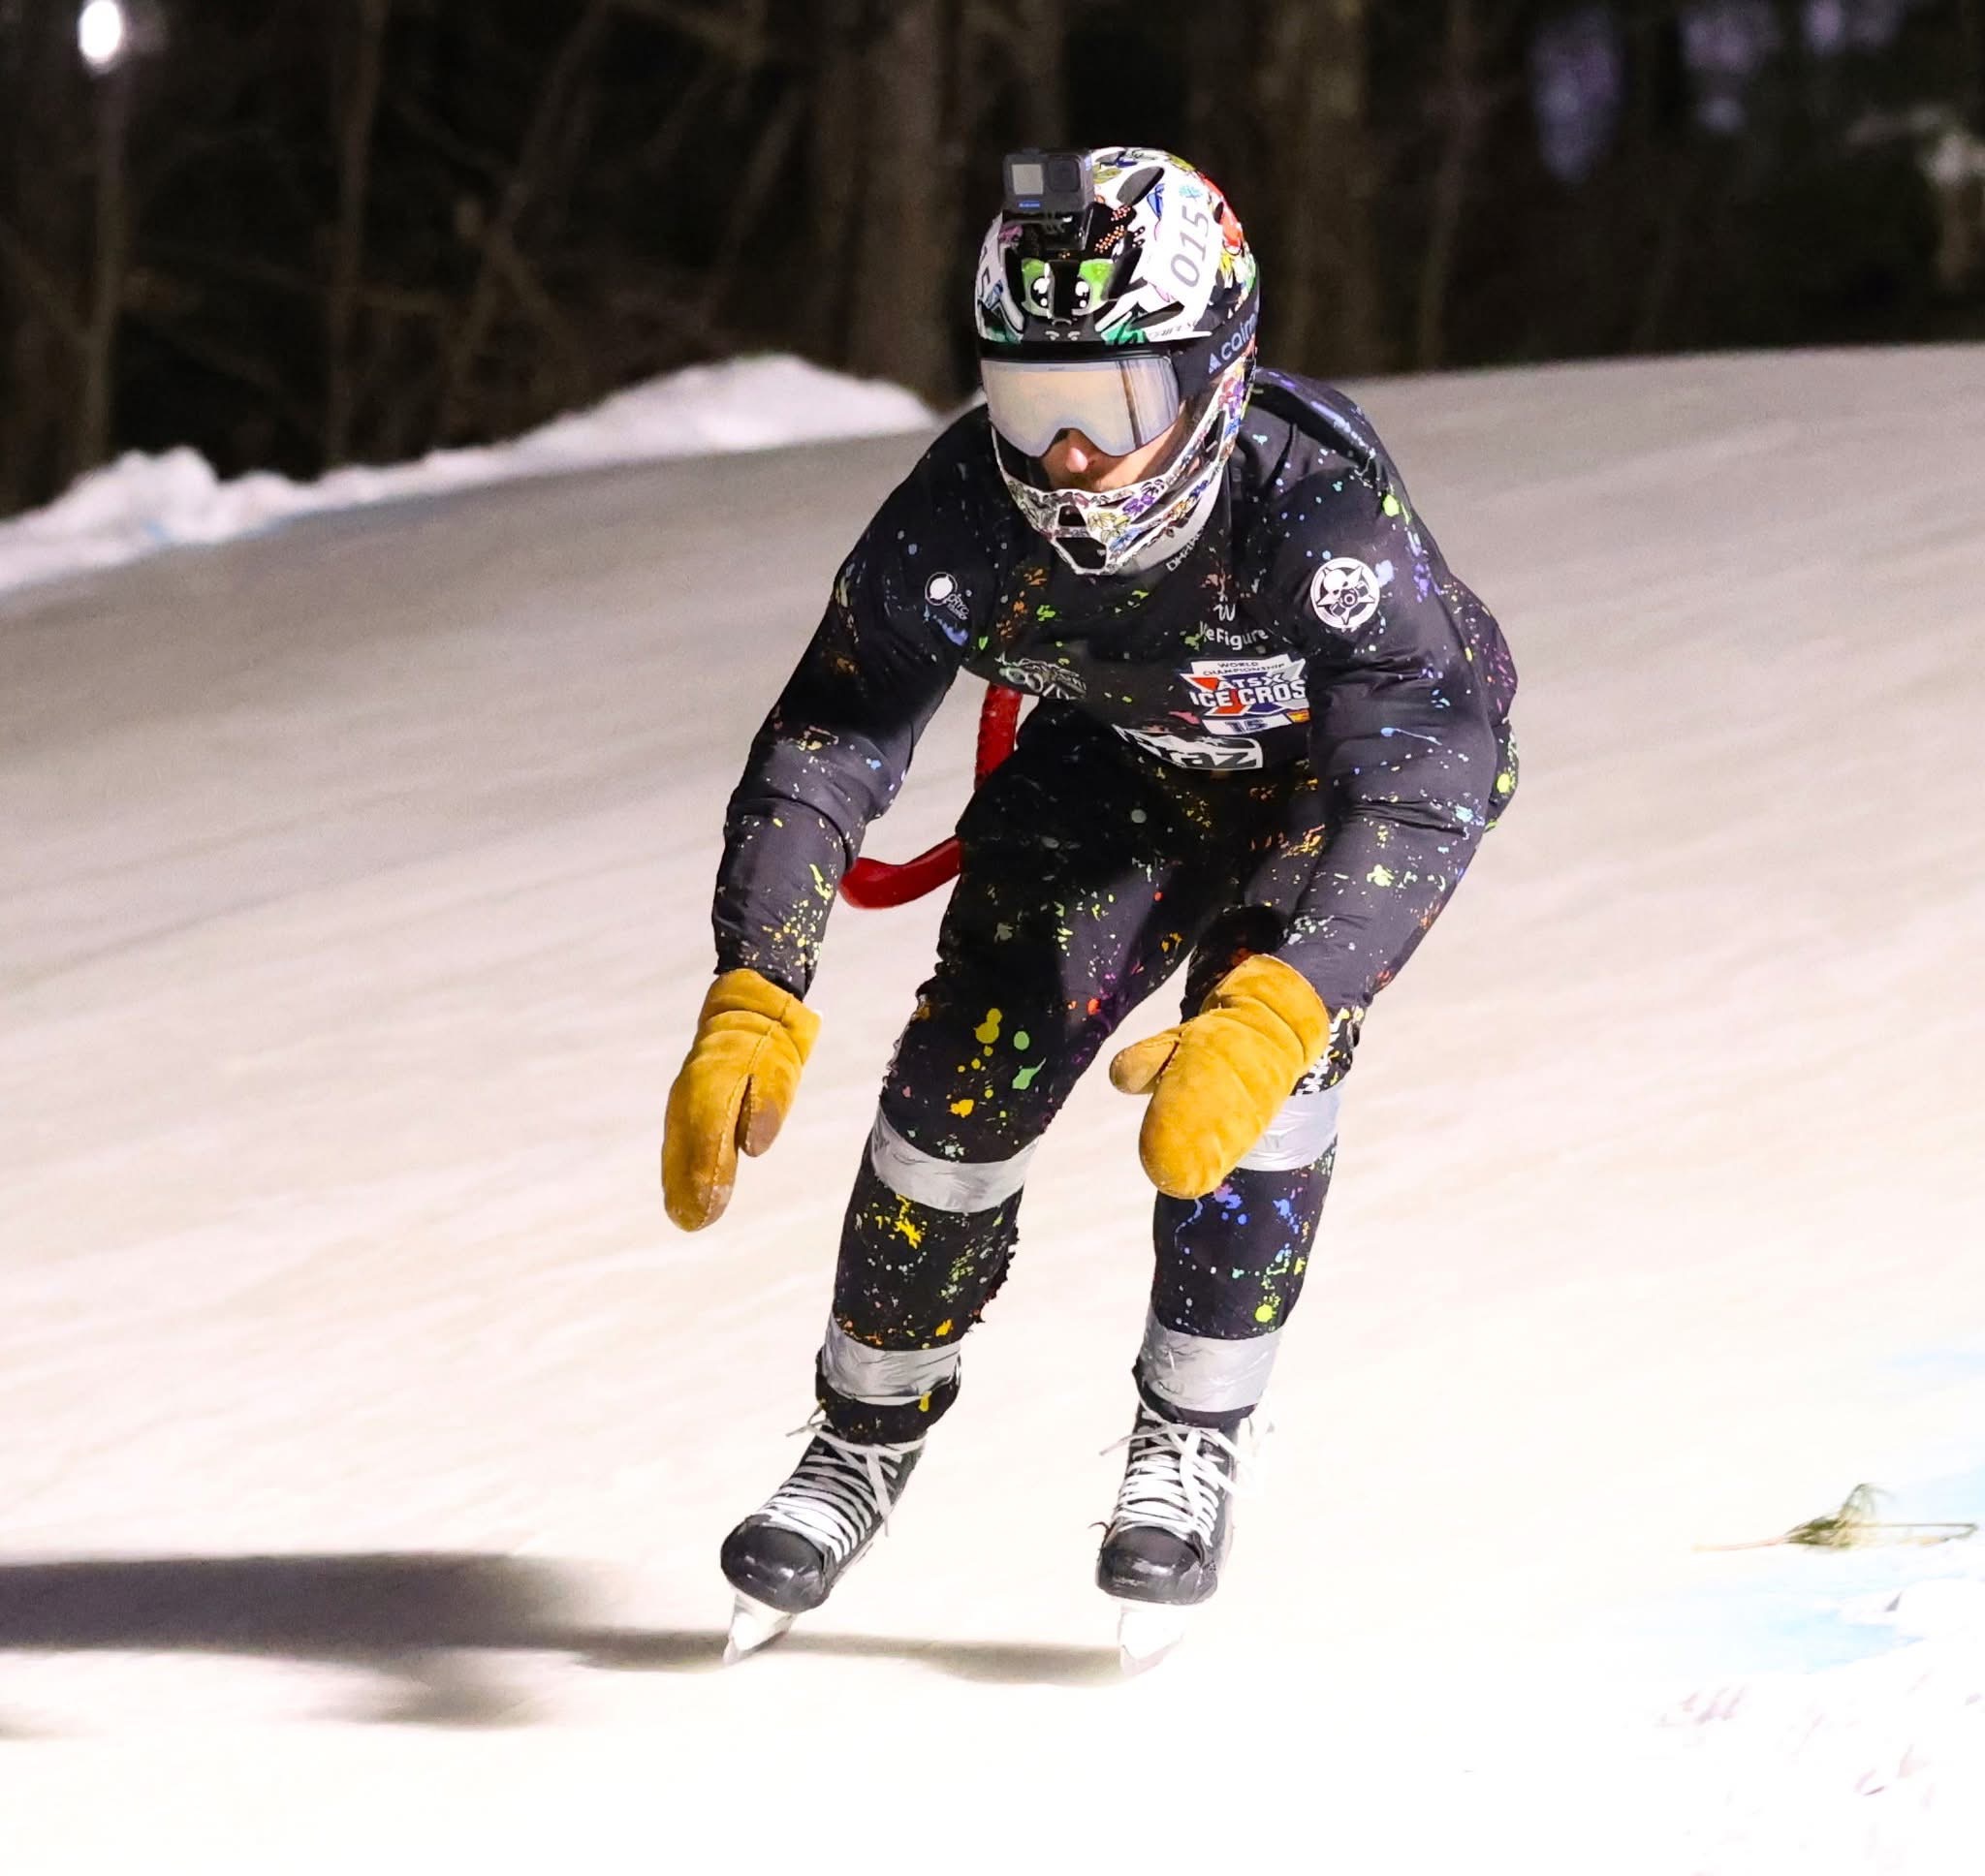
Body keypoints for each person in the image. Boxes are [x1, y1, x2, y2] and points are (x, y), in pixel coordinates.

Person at [661, 146, 1518, 1663]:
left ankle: (1192, 1438)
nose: (1062, 462)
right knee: (951, 1091)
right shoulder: (960, 515)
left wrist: (1293, 990)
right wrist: (758, 981)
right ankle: (860, 1437)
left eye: (1111, 410)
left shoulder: (1317, 508)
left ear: (1220, 377)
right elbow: (832, 734)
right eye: (1025, 404)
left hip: (1330, 786)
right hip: (1118, 764)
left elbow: (1428, 766)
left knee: (1251, 1091)